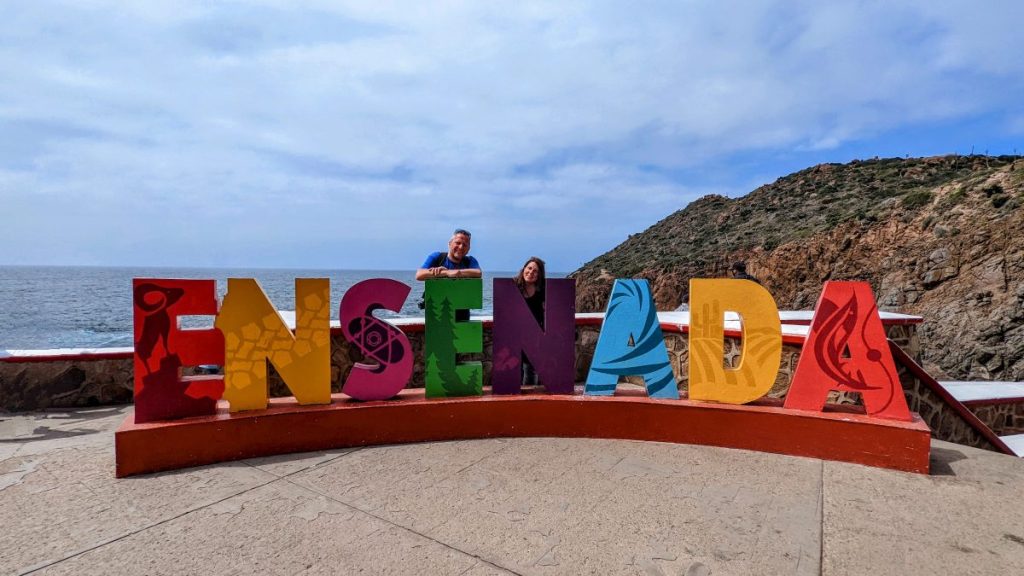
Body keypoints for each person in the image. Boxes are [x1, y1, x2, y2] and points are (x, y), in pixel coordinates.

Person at [513, 256, 546, 386]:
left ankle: (529, 401)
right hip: (514, 335)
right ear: (523, 269)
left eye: (535, 271)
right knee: (515, 371)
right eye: (529, 268)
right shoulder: (513, 286)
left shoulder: (542, 291)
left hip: (534, 335)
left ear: (539, 275)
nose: (531, 272)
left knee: (531, 371)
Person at [416, 228, 482, 281]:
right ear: (449, 244)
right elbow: (419, 275)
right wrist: (446, 273)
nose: (461, 247)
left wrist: (456, 273)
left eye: (464, 245)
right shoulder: (437, 257)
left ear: (468, 249)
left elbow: (478, 273)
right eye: (458, 243)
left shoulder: (470, 261)